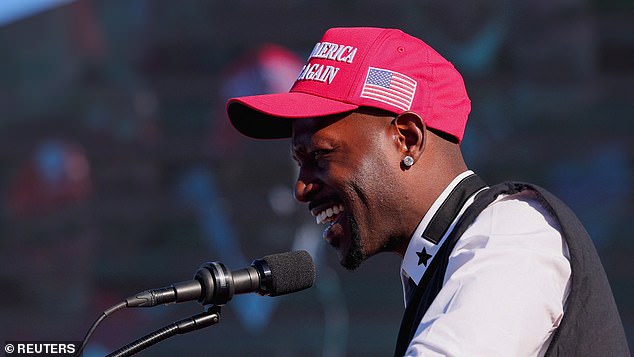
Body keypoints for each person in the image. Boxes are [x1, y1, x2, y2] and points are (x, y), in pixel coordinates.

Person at [226, 27, 629, 356]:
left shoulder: (508, 236)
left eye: (320, 155)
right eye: (299, 164)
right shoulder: (443, 262)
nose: (301, 188)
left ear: (407, 139)